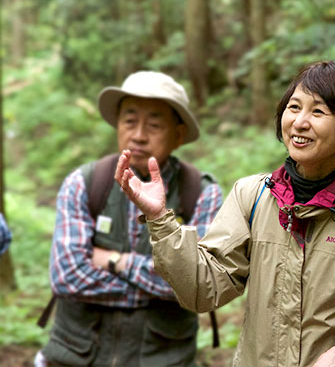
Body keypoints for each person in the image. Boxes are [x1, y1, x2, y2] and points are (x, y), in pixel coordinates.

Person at [116, 61, 335, 367]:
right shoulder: (253, 198)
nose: (299, 122)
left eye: (318, 111)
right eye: (294, 108)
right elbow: (202, 289)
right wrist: (160, 219)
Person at [39, 71, 223, 367]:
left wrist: (115, 261)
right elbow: (67, 277)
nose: (138, 134)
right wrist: (161, 284)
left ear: (178, 135)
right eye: (129, 121)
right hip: (75, 357)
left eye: (154, 124)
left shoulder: (202, 193)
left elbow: (199, 286)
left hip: (164, 359)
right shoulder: (84, 183)